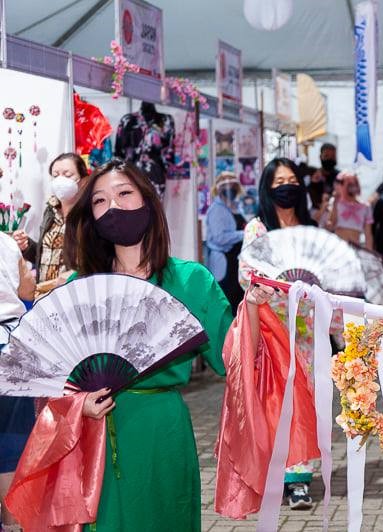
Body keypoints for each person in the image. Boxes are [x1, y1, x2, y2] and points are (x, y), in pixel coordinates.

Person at [62, 159, 233, 531]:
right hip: (96, 435)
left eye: (124, 193)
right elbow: (51, 380)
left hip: (163, 430)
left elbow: (232, 360)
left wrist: (255, 307)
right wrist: (78, 404)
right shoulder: (79, 287)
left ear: (148, 202)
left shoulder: (190, 281)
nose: (114, 207)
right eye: (100, 201)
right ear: (91, 217)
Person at [237, 157, 320, 510]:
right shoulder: (257, 229)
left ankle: (300, 477)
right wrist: (278, 285)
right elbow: (247, 274)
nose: (286, 186)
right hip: (273, 325)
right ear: (267, 188)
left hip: (308, 330)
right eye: (278, 181)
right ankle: (282, 473)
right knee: (278, 399)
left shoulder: (311, 228)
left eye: (292, 180)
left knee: (307, 399)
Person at [13, 152, 90, 297]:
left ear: (84, 180)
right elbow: (45, 254)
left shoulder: (89, 215)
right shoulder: (50, 210)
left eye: (67, 175)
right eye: (55, 175)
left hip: (74, 295)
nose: (60, 180)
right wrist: (26, 245)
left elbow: (96, 260)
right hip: (44, 296)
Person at [0, 233, 36, 532]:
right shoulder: (7, 242)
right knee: (13, 444)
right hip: (10, 346)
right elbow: (27, 288)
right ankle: (14, 525)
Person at [205, 171, 246, 312]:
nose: (230, 189)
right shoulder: (216, 210)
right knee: (226, 304)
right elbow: (219, 238)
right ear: (218, 188)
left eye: (232, 185)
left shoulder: (236, 206)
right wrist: (244, 234)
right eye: (225, 185)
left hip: (236, 263)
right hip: (224, 262)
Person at [320, 171, 374, 249]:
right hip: (338, 248)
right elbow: (331, 226)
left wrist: (369, 256)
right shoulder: (336, 203)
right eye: (348, 184)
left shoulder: (365, 207)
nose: (352, 187)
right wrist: (335, 202)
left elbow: (368, 235)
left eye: (354, 184)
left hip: (355, 250)